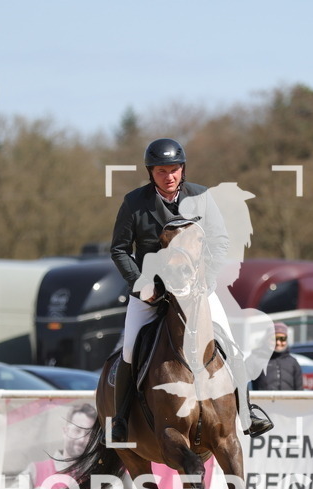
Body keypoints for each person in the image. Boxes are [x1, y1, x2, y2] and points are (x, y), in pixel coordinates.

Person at [109, 138, 273, 441]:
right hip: (153, 292)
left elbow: (220, 241)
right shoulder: (135, 202)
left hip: (197, 291)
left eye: (174, 170)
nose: (169, 177)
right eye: (161, 171)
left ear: (182, 170)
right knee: (130, 349)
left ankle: (248, 414)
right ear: (151, 172)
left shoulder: (202, 197)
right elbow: (119, 250)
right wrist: (141, 285)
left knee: (231, 345)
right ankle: (120, 420)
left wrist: (206, 281)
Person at [254, 322, 303, 390]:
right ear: (266, 340)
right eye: (274, 339)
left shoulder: (293, 362)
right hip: (262, 400)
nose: (278, 343)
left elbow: (299, 390)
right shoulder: (255, 360)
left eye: (282, 339)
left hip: (287, 400)